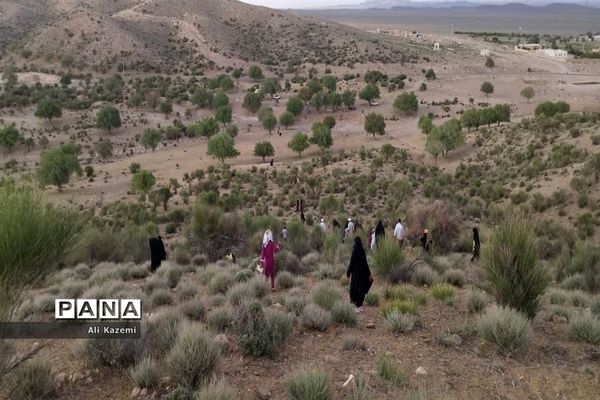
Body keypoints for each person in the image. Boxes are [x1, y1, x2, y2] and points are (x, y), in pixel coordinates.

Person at [346, 237, 373, 313]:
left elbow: (351, 263)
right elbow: (365, 263)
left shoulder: (354, 251)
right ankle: (360, 305)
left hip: (356, 274)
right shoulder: (362, 250)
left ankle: (357, 306)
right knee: (361, 290)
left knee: (355, 289)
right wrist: (369, 273)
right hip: (363, 273)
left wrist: (348, 273)